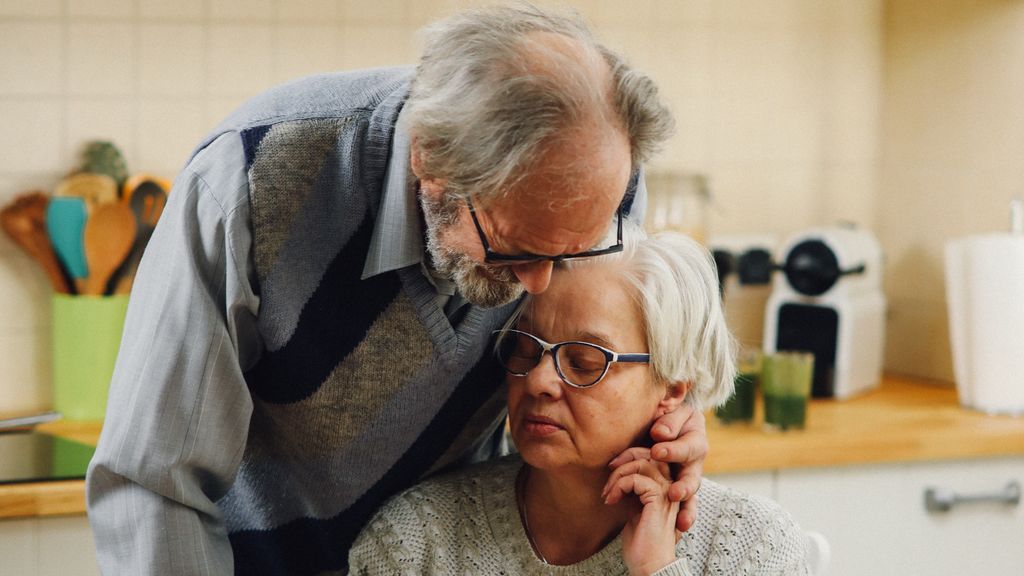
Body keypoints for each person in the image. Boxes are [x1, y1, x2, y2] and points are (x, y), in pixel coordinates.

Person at [86, 4, 714, 575]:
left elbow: (615, 357)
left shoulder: (597, 190)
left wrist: (664, 420)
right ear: (430, 162)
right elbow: (155, 483)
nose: (540, 284)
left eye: (570, 252)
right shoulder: (248, 185)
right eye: (515, 249)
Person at [348, 228, 811, 575]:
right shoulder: (418, 541)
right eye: (526, 348)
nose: (539, 381)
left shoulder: (756, 547)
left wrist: (656, 568)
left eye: (586, 361)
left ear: (673, 388)